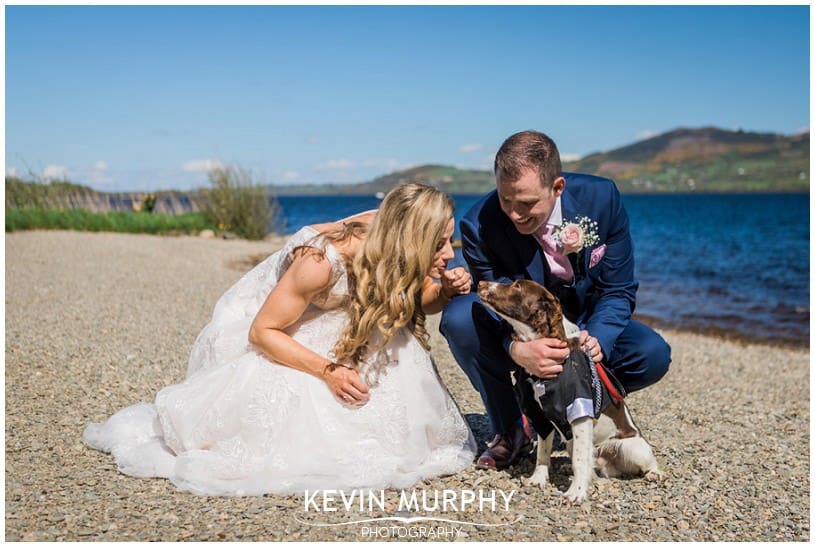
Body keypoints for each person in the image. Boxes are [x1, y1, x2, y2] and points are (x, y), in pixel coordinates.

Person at [84, 183, 476, 496]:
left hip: (339, 317)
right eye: (438, 245)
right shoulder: (320, 262)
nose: (448, 253)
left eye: (448, 241)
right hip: (276, 325)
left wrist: (443, 291)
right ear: (410, 239)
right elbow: (262, 332)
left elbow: (416, 300)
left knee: (393, 351)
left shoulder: (397, 243)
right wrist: (329, 371)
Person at [440, 130, 671, 471]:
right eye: (506, 200)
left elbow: (618, 289)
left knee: (651, 353)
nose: (515, 214)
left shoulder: (601, 199)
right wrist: (513, 349)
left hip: (585, 318)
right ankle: (512, 428)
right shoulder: (478, 224)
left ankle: (571, 409)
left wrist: (598, 339)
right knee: (459, 318)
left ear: (557, 187)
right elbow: (491, 298)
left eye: (527, 204)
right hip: (520, 324)